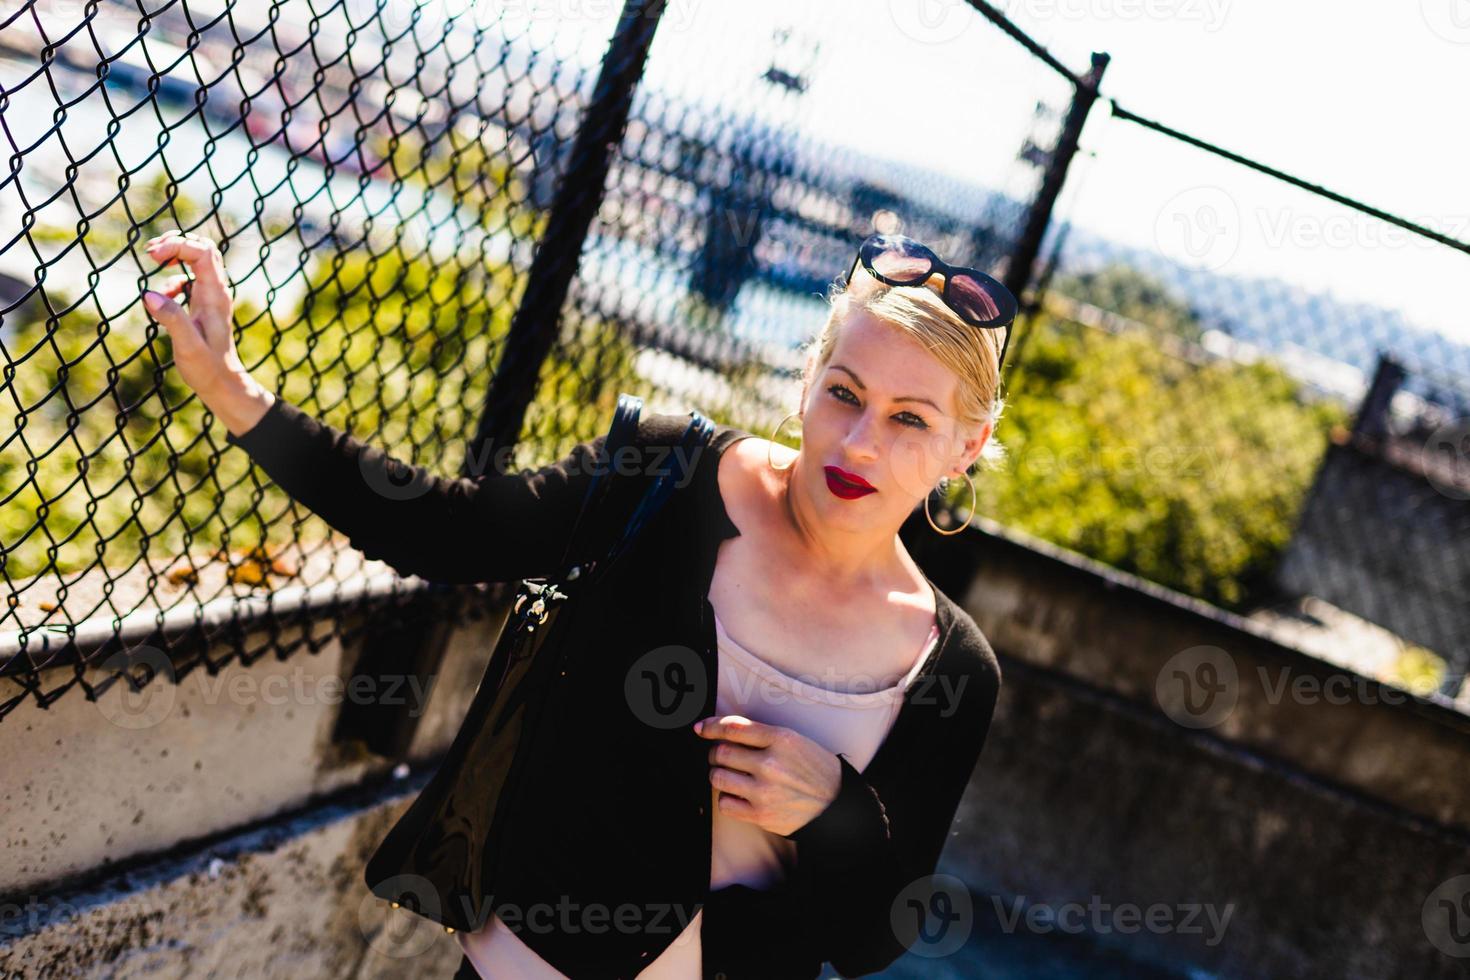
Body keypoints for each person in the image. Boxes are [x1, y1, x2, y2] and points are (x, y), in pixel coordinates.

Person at [139, 229, 1007, 978]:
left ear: (967, 445)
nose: (859, 442)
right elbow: (443, 530)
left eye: (910, 420)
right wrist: (231, 390)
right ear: (810, 378)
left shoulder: (951, 665)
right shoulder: (664, 477)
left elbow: (873, 936)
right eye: (845, 393)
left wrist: (834, 811)